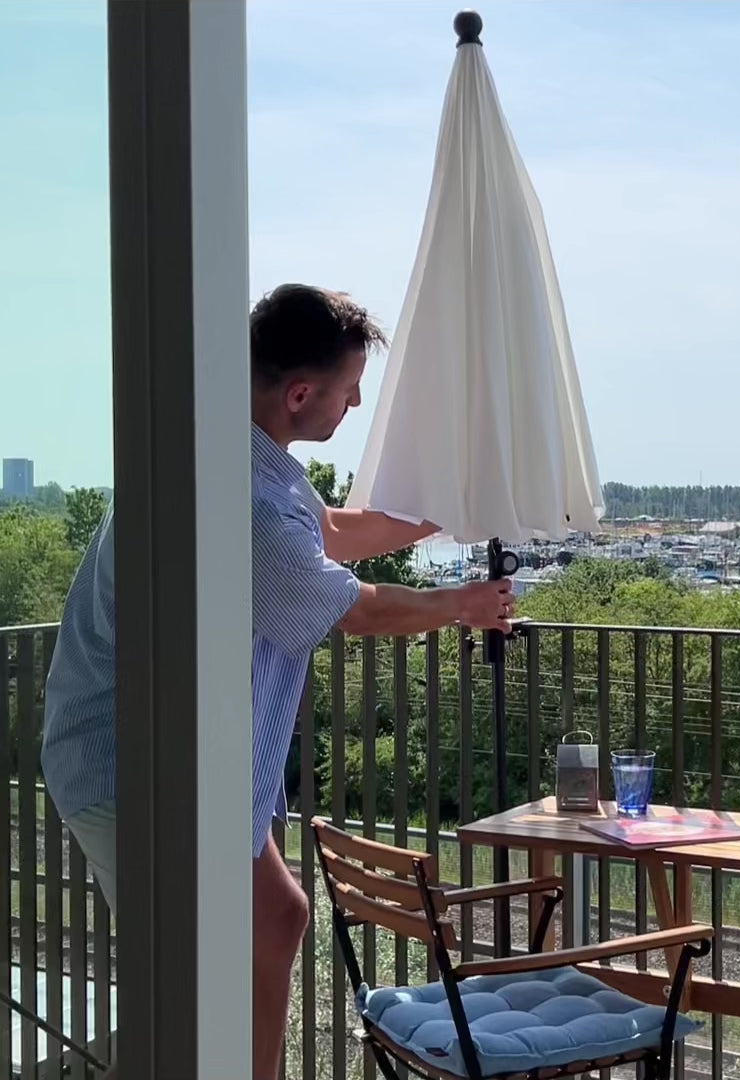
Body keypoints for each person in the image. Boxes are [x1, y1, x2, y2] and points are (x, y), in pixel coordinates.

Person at [40, 283, 515, 1080]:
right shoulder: (248, 500)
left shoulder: (241, 457)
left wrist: (454, 508)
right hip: (132, 767)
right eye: (349, 389)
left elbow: (331, 531)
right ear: (299, 394)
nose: (356, 404)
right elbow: (350, 608)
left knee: (274, 919)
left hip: (187, 760)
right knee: (192, 973)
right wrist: (462, 604)